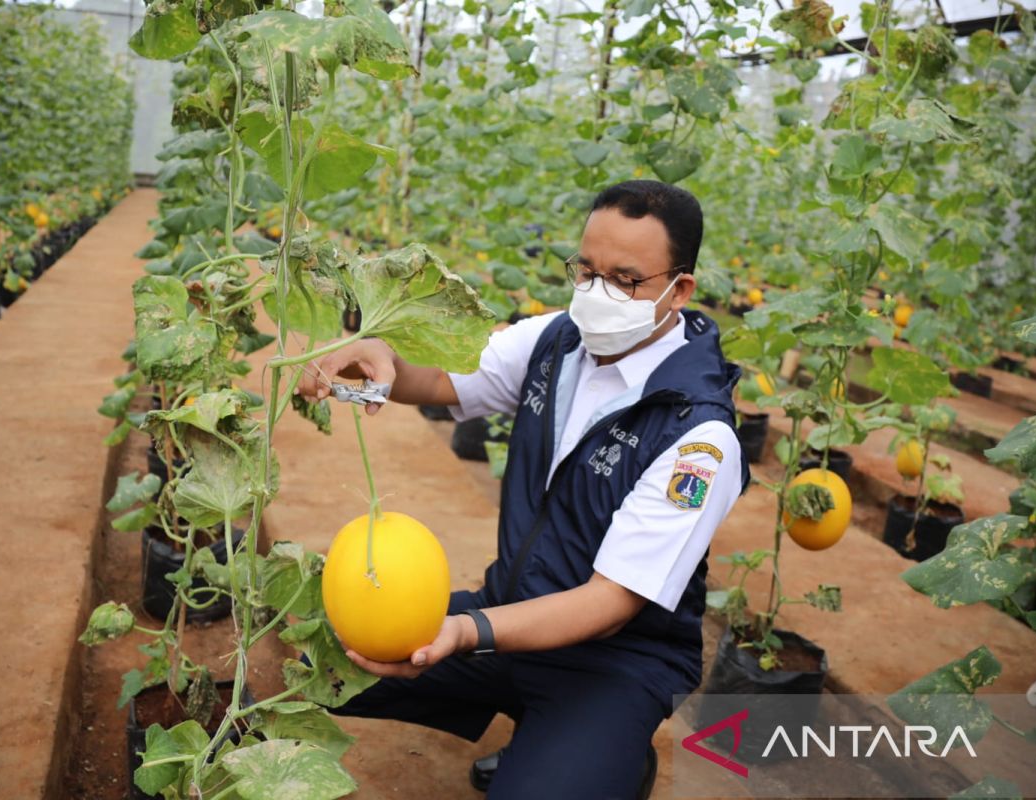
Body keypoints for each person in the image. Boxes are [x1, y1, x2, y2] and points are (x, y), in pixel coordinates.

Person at [295, 179, 750, 799]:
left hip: (615, 663)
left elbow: (608, 604)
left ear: (680, 289)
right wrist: (378, 362)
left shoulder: (699, 439)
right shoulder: (554, 341)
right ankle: (549, 739)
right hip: (508, 610)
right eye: (585, 269)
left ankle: (604, 752)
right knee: (318, 664)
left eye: (625, 279)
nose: (596, 292)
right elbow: (439, 384)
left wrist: (465, 631)